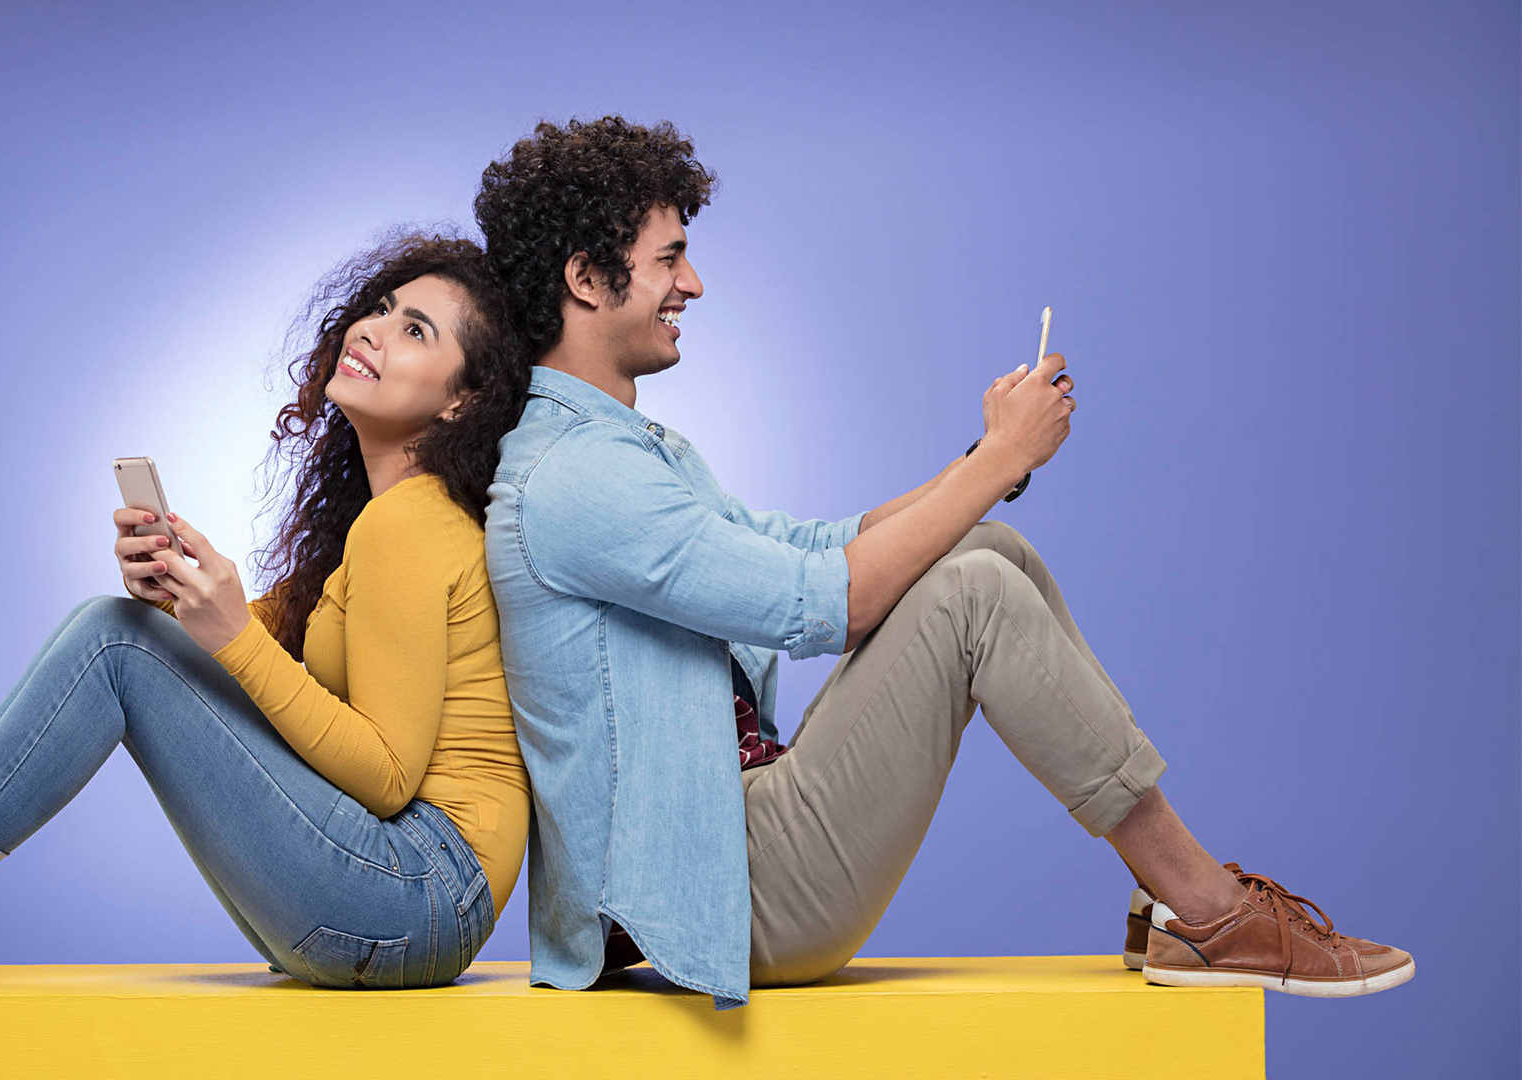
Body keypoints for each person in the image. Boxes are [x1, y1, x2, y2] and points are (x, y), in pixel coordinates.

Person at [475, 116, 1414, 1009]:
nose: (695, 285)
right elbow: (824, 606)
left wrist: (982, 465)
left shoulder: (631, 450)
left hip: (734, 847)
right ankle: (1212, 913)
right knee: (969, 593)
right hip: (719, 897)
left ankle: (1171, 900)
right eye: (670, 259)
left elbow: (811, 548)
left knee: (983, 543)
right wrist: (1004, 458)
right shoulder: (572, 476)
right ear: (588, 279)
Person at [0, 233, 531, 998]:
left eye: (416, 330)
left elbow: (387, 778)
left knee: (115, 641)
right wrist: (182, 597)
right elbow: (245, 665)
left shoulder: (412, 523)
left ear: (462, 402)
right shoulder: (372, 525)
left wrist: (225, 636)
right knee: (132, 634)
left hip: (415, 896)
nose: (376, 329)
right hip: (393, 904)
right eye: (384, 306)